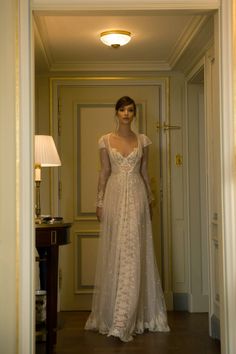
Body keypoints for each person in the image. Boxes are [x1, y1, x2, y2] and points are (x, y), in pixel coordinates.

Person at [85, 96, 169, 342]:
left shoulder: (143, 140)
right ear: (116, 113)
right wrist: (99, 202)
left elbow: (144, 172)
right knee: (117, 250)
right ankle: (114, 314)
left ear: (134, 114)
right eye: (122, 109)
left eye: (130, 110)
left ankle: (127, 317)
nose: (126, 113)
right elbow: (104, 172)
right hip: (113, 196)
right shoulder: (105, 140)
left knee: (134, 249)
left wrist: (150, 201)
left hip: (137, 196)